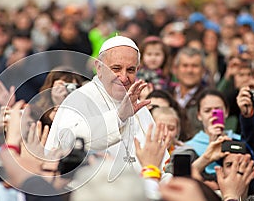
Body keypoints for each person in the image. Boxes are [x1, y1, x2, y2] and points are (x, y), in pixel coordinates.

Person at [45, 36, 170, 179]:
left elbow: (160, 163)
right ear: (99, 68)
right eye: (116, 68)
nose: (123, 77)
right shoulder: (78, 99)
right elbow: (70, 141)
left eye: (130, 70)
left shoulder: (138, 106)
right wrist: (118, 117)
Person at [169, 46, 206, 135]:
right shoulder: (166, 95)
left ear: (203, 71)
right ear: (175, 69)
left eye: (195, 66)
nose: (189, 70)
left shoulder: (209, 99)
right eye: (185, 65)